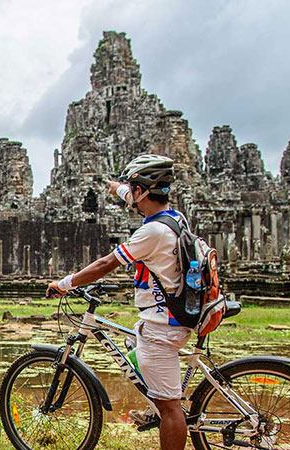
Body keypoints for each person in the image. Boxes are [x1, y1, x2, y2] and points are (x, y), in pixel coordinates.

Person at [46, 154, 191, 450]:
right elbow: (136, 195)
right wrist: (117, 188)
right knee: (133, 345)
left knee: (171, 409)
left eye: (132, 191)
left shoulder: (151, 232)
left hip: (163, 326)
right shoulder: (174, 218)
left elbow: (105, 264)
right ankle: (153, 406)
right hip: (167, 320)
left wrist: (64, 284)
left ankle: (161, 411)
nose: (130, 199)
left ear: (142, 192)